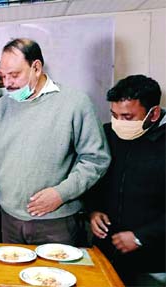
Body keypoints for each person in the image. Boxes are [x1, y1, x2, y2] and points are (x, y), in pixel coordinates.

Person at [0, 38, 111, 246]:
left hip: (57, 222)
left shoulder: (74, 103)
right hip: (9, 221)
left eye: (14, 75)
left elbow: (96, 159)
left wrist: (61, 193)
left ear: (36, 67)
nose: (7, 84)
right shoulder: (0, 109)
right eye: (3, 76)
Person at [88, 75, 165, 286]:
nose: (119, 123)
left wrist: (141, 237)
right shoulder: (107, 134)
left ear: (154, 113)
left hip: (153, 262)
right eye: (114, 115)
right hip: (106, 254)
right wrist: (93, 211)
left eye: (128, 117)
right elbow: (95, 181)